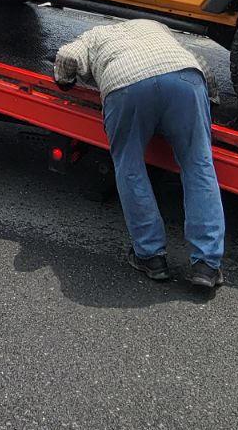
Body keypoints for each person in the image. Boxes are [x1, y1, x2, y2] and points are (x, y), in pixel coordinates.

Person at [54, 19, 226, 291]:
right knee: (199, 166)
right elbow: (199, 62)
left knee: (130, 167)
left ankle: (151, 257)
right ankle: (206, 265)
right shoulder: (153, 25)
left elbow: (67, 56)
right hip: (183, 78)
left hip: (127, 84)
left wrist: (63, 81)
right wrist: (210, 100)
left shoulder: (92, 36)